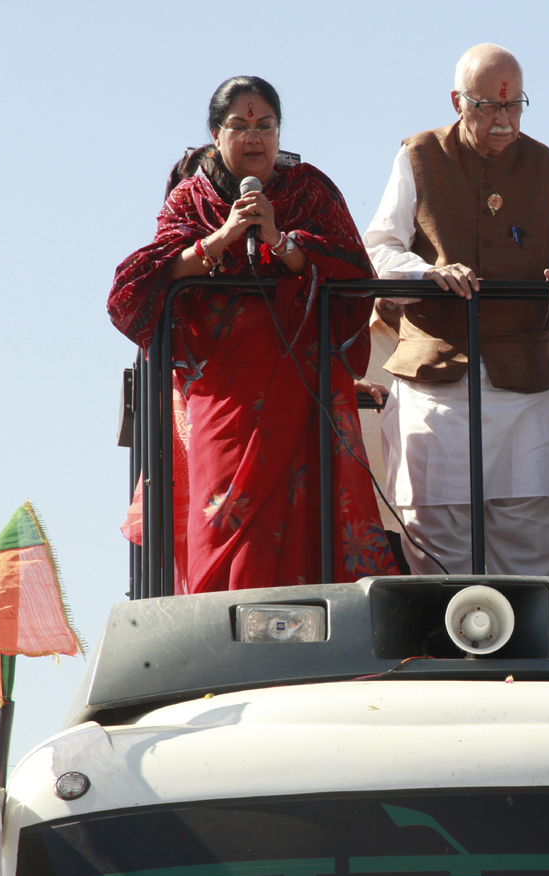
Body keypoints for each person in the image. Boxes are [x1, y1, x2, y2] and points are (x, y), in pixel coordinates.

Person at [110, 75, 398, 593]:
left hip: (304, 382)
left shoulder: (310, 190)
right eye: (240, 126)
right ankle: (226, 640)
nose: (254, 137)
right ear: (216, 135)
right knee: (224, 512)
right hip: (225, 391)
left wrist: (281, 241)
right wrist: (220, 240)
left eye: (266, 125)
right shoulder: (190, 197)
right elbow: (135, 287)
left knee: (312, 515)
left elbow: (354, 270)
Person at [364, 43, 549, 576]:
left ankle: (527, 662)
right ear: (457, 102)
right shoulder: (418, 155)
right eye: (487, 106)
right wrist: (427, 273)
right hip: (436, 382)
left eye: (513, 107)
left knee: (529, 552)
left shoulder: (546, 167)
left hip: (528, 386)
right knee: (441, 553)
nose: (502, 121)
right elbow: (378, 249)